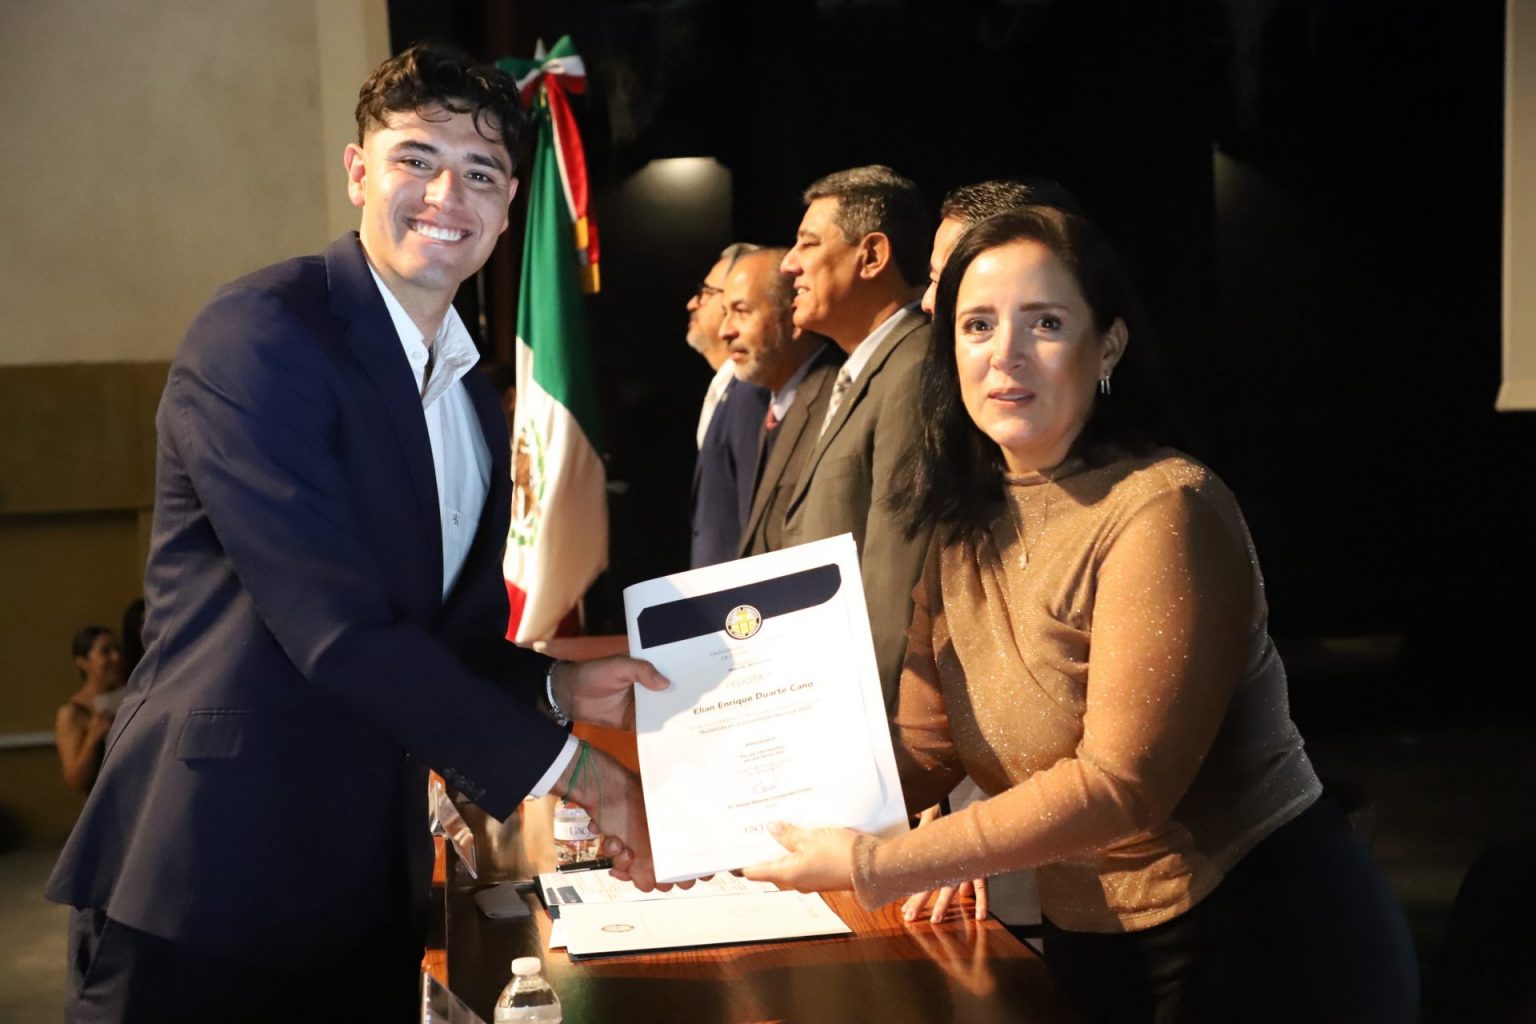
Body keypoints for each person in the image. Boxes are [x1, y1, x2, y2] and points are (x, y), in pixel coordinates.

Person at [47, 43, 667, 1023]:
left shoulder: (472, 394)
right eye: (416, 159)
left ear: (509, 205)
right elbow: (335, 630)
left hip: (366, 890)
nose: (446, 196)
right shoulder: (261, 334)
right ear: (357, 172)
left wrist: (554, 686)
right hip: (209, 875)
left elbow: (441, 637)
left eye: (480, 174)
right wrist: (583, 774)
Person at [746, 207, 1419, 1022]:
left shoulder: (1165, 508)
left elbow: (1120, 787)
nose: (1006, 354)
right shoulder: (962, 520)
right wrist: (731, 811)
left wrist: (876, 863)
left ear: (1108, 347)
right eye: (978, 325)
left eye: (1046, 324)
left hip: (1259, 938)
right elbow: (923, 747)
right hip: (1090, 937)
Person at [778, 165, 933, 707]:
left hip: (866, 712)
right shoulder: (861, 372)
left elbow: (895, 580)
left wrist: (868, 724)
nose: (788, 263)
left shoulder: (914, 367)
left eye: (808, 243)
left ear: (871, 256)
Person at [719, 248, 845, 556]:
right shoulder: (775, 405)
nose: (725, 331)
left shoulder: (836, 400)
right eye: (725, 313)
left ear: (793, 318)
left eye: (741, 311)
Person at [687, 243, 770, 567]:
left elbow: (751, 514)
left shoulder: (750, 393)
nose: (692, 303)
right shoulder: (724, 390)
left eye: (706, 293)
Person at [54, 626, 124, 793]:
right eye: (105, 651)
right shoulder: (72, 714)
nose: (116, 657)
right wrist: (92, 738)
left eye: (117, 649)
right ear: (82, 662)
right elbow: (75, 781)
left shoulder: (132, 697)